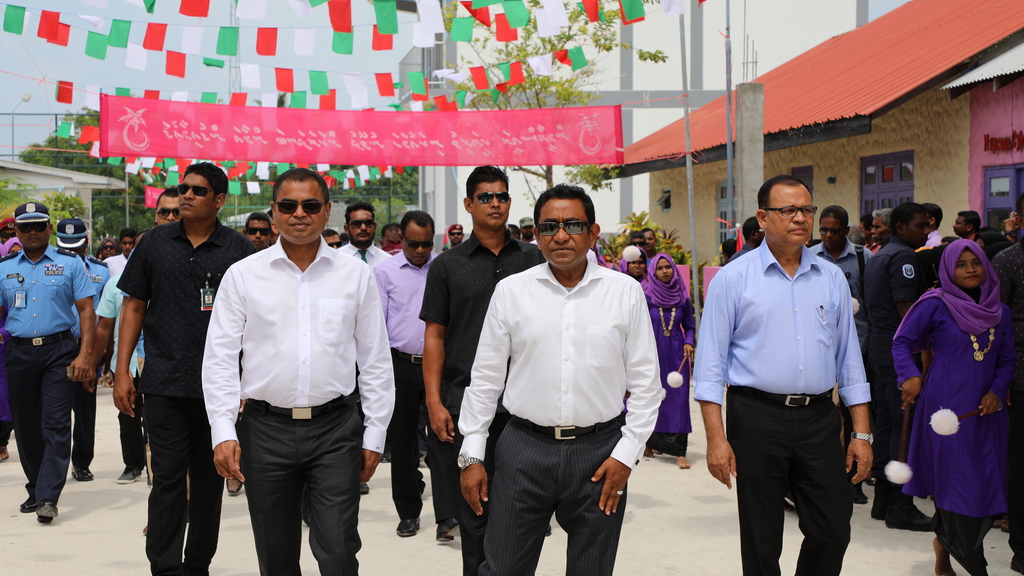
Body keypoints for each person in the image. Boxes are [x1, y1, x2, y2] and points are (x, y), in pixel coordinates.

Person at [459, 184, 661, 576]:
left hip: (600, 454)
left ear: (593, 232)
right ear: (536, 234)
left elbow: (646, 385)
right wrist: (472, 454)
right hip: (524, 450)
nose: (561, 235)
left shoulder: (625, 293)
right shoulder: (512, 292)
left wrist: (627, 454)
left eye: (573, 225)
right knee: (502, 568)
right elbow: (485, 378)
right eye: (549, 226)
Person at [204, 168, 394, 575]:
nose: (299, 214)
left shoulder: (354, 275)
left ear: (327, 210)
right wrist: (223, 430)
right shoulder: (243, 276)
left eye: (310, 205)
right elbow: (220, 358)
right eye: (288, 205)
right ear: (274, 212)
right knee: (276, 556)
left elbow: (375, 359)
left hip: (335, 430)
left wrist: (375, 432)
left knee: (339, 550)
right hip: (265, 431)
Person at [694, 175, 872, 576]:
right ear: (763, 217)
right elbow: (709, 369)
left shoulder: (831, 277)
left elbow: (850, 361)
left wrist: (861, 433)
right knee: (762, 537)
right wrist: (716, 439)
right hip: (756, 417)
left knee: (832, 528)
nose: (800, 218)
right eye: (788, 210)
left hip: (819, 418)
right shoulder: (733, 279)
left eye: (806, 209)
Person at [114, 162, 255, 575]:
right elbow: (134, 306)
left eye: (198, 190)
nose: (187, 195)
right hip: (164, 382)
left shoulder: (240, 250)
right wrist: (122, 370)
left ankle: (197, 565)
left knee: (209, 482)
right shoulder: (154, 243)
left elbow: (257, 321)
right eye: (184, 188)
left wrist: (249, 385)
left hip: (220, 389)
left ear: (219, 200)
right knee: (168, 479)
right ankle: (164, 567)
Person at [420, 165, 546, 576]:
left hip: (527, 410)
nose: (495, 204)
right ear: (469, 203)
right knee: (475, 515)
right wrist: (434, 401)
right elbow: (435, 336)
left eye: (502, 196)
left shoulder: (534, 258)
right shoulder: (447, 266)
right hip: (467, 408)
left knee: (524, 518)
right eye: (486, 197)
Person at [895, 239, 1014, 576]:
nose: (970, 270)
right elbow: (902, 341)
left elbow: (1007, 359)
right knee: (959, 486)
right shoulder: (935, 304)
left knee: (984, 486)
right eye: (961, 264)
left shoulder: (1000, 311)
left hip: (987, 414)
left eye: (975, 262)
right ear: (948, 269)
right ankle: (975, 565)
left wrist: (997, 391)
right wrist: (909, 375)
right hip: (947, 413)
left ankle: (944, 542)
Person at [0, 202, 96, 523]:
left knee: (56, 423)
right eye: (25, 227)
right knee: (26, 426)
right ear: (16, 230)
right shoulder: (4, 267)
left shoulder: (70, 264)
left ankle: (48, 496)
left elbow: (86, 310)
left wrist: (85, 354)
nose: (33, 232)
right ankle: (36, 486)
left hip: (59, 351)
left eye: (39, 226)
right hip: (19, 353)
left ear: (49, 228)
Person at [375, 210, 459, 540]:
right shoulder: (385, 272)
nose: (420, 250)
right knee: (404, 441)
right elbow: (378, 325)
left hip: (441, 366)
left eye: (426, 244)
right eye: (413, 244)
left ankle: (448, 515)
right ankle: (408, 512)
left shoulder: (446, 267)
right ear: (401, 239)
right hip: (401, 365)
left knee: (443, 437)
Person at [864, 201, 932, 531]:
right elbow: (907, 309)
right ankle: (900, 505)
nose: (927, 231)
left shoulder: (880, 255)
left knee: (888, 423)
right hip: (898, 347)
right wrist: (924, 351)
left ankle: (882, 502)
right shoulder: (904, 256)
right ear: (901, 228)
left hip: (880, 345)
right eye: (921, 226)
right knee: (904, 421)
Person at [810, 205, 873, 504]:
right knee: (823, 415)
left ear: (846, 231)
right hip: (819, 349)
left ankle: (853, 480)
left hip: (856, 346)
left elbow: (871, 302)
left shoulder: (863, 257)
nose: (828, 235)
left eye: (834, 230)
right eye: (823, 230)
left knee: (852, 413)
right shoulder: (810, 256)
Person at [56, 218, 111, 484]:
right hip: (57, 345)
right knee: (55, 409)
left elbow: (106, 315)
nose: (70, 251)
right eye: (65, 246)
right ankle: (54, 464)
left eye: (75, 246)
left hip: (87, 345)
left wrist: (100, 354)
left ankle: (81, 462)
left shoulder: (101, 271)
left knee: (85, 409)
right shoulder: (49, 267)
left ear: (86, 243)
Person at [992, 199, 1024, 574]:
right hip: (1021, 376)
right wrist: (1004, 380)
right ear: (1018, 220)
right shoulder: (1008, 261)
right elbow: (996, 327)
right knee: (1020, 465)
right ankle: (1022, 548)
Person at [93, 265, 146, 484]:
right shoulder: (115, 284)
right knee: (128, 415)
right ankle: (133, 465)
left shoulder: (164, 280)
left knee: (158, 418)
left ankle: (158, 466)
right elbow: (104, 326)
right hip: (125, 364)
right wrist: (93, 363)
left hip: (154, 361)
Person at [643, 253, 696, 468]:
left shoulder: (683, 298)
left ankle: (680, 452)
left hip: (677, 356)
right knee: (654, 398)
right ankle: (650, 444)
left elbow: (690, 327)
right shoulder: (647, 297)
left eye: (668, 267)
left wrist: (689, 342)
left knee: (679, 400)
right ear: (653, 272)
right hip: (653, 356)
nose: (665, 271)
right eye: (660, 268)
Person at [339, 201, 390, 268]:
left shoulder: (387, 261)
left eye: (368, 223)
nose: (363, 228)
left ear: (374, 226)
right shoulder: (336, 259)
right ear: (346, 229)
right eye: (356, 224)